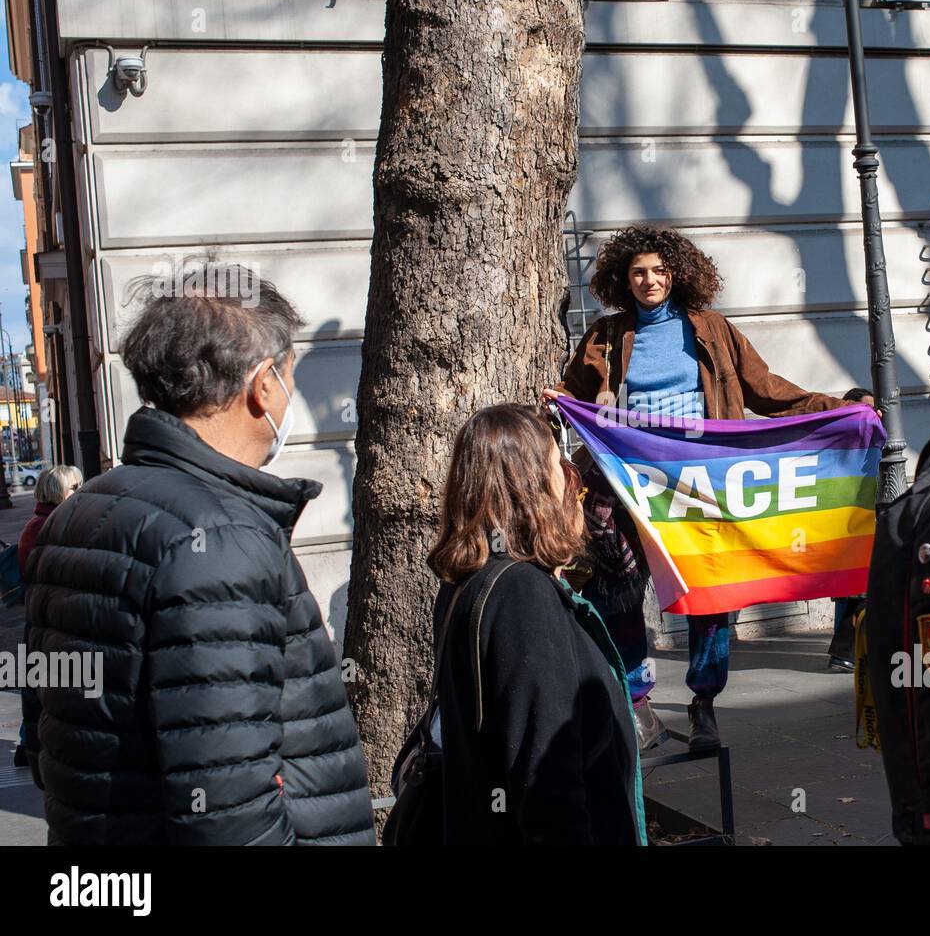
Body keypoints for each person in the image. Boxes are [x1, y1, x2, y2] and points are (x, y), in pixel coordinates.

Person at [23, 262, 374, 845]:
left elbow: (48, 744)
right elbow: (228, 812)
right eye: (288, 375)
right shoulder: (219, 537)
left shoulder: (79, 512)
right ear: (263, 385)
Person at [545, 224, 849, 753]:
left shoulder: (712, 329)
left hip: (701, 481)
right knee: (617, 592)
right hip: (626, 484)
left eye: (659, 271)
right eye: (638, 272)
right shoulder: (606, 335)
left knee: (710, 594)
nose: (649, 281)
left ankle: (704, 702)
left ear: (678, 274)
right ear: (623, 278)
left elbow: (766, 391)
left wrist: (838, 408)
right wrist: (561, 398)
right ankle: (638, 702)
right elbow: (572, 397)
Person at [428, 404, 645, 845]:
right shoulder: (521, 595)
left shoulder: (468, 584)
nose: (571, 479)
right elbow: (548, 781)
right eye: (558, 464)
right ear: (529, 487)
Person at [12, 464, 82, 769]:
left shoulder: (50, 521)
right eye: (75, 488)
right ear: (57, 492)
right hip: (47, 618)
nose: (82, 492)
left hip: (50, 616)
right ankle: (30, 743)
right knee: (43, 685)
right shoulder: (44, 527)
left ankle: (30, 741)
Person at [828, 387, 874, 672]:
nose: (872, 412)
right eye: (865, 408)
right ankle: (843, 653)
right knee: (856, 594)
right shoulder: (842, 441)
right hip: (848, 527)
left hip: (863, 523)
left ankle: (846, 653)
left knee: (856, 593)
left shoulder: (868, 440)